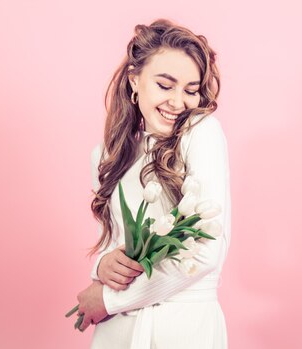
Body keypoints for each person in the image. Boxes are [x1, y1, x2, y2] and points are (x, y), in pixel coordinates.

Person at [74, 18, 231, 349]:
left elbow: (206, 252)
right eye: (165, 85)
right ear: (135, 79)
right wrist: (102, 264)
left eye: (191, 90)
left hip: (182, 330)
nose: (178, 103)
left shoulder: (202, 133)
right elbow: (116, 242)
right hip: (117, 334)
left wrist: (109, 300)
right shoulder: (106, 155)